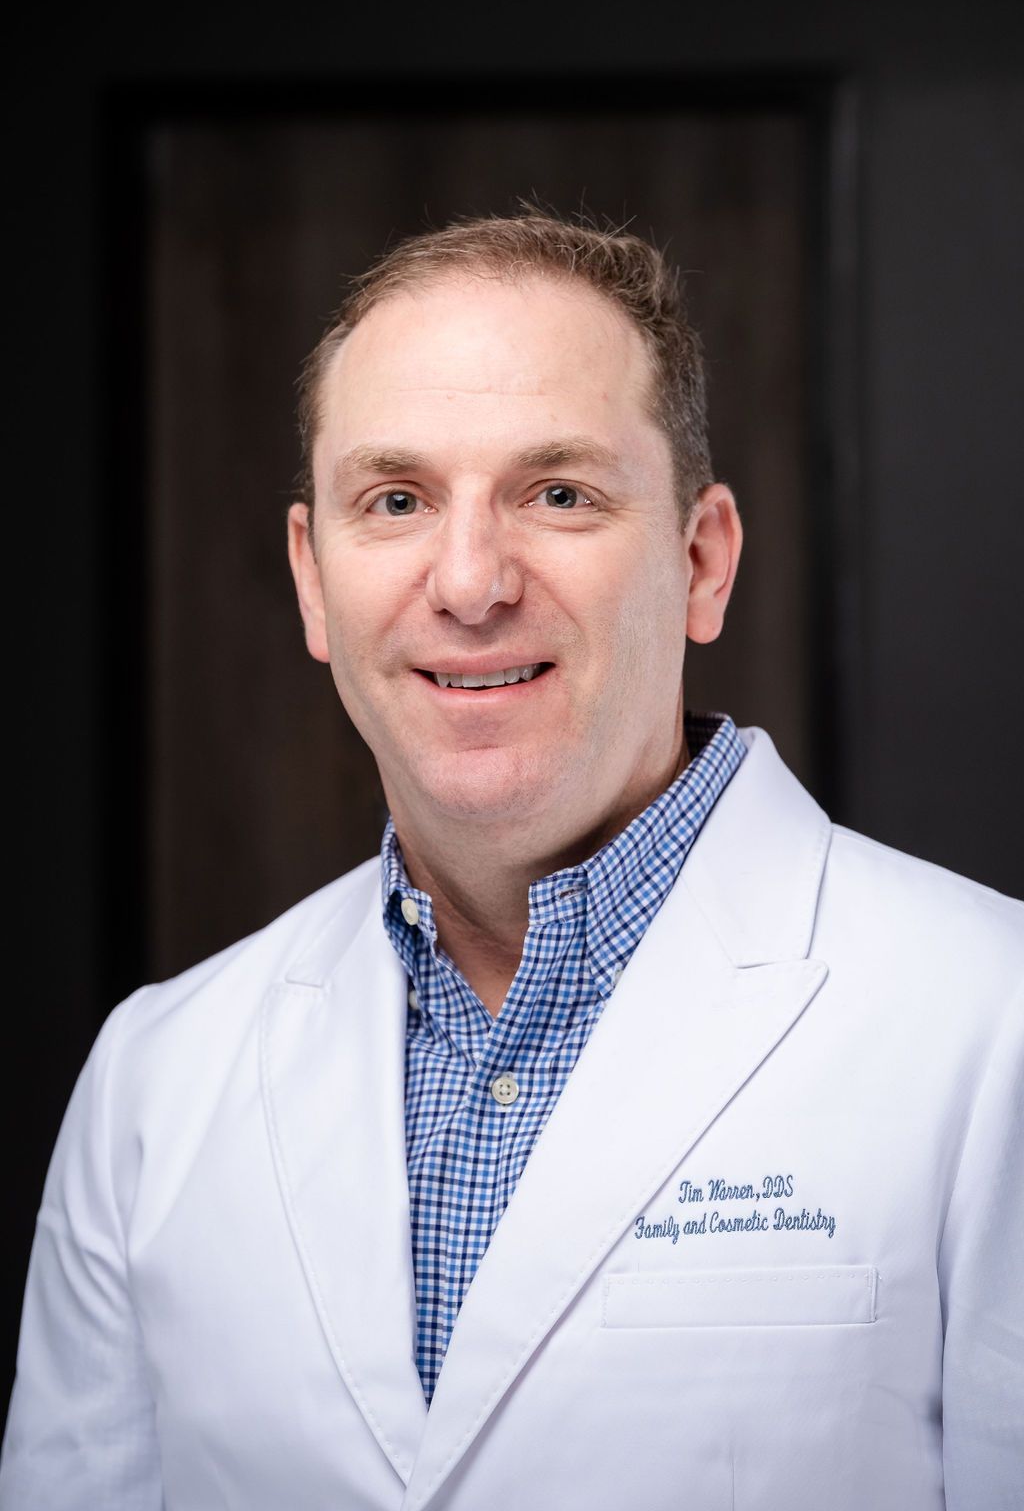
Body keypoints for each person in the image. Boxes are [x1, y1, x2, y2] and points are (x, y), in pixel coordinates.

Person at [1, 211, 1021, 1511]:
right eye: (396, 500)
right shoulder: (156, 1079)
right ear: (315, 581)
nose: (471, 581)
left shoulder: (993, 1021)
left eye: (559, 494)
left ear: (701, 562)